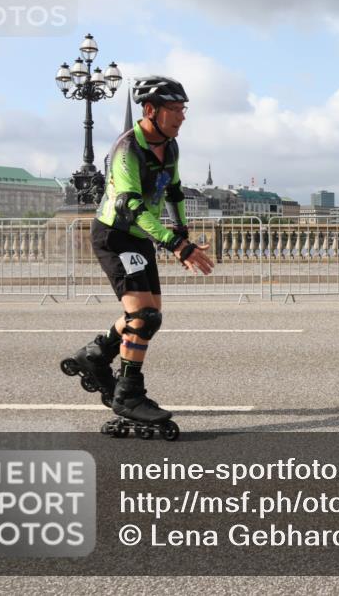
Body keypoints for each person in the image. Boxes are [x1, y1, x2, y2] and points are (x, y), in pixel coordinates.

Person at [65, 76, 213, 426]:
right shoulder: (127, 148)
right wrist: (176, 244)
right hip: (115, 235)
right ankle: (128, 395)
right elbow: (130, 204)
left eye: (183, 109)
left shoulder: (170, 146)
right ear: (150, 110)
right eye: (175, 109)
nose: (182, 116)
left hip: (139, 238)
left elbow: (174, 191)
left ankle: (97, 353)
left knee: (150, 316)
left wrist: (180, 231)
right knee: (142, 316)